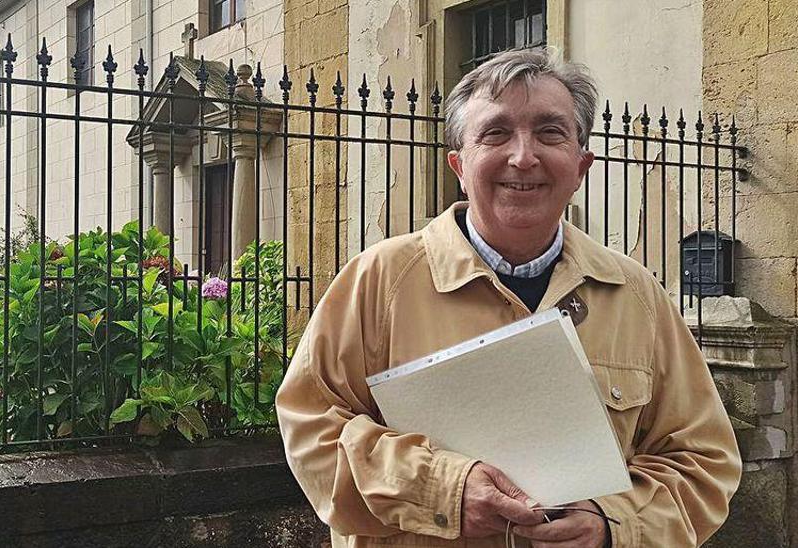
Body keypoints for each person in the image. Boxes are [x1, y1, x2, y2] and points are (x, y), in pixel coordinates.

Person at [275, 50, 740, 548]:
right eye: (495, 133)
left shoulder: (637, 296)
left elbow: (703, 463)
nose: (523, 157)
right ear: (459, 163)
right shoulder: (379, 281)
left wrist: (612, 523)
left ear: (581, 165)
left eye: (550, 132)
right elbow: (312, 432)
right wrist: (442, 490)